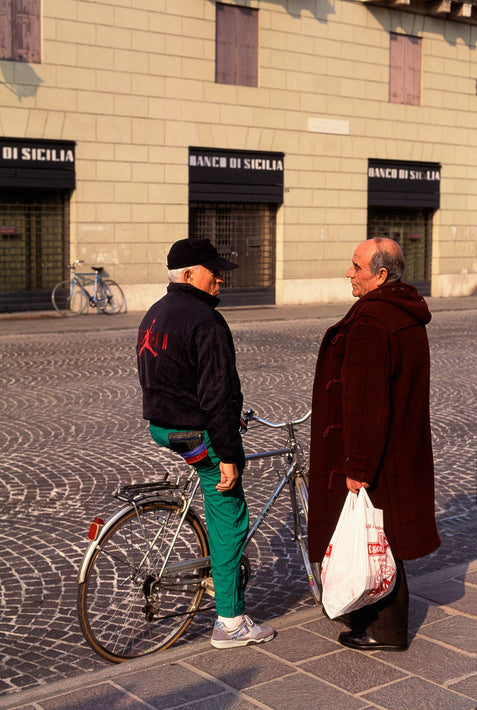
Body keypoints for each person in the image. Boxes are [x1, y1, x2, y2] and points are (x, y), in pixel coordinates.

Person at [137, 237, 275, 649]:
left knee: (212, 488)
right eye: (213, 273)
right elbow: (217, 395)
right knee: (229, 517)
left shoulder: (155, 313)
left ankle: (217, 572)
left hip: (163, 427)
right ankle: (232, 623)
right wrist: (230, 455)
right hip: (197, 432)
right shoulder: (205, 321)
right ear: (189, 275)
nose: (220, 280)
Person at [308, 237, 440, 651]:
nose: (349, 272)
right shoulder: (405, 313)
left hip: (377, 451)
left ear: (380, 275)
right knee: (386, 536)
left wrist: (357, 467)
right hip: (402, 446)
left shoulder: (372, 320)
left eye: (356, 266)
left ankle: (386, 631)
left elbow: (367, 402)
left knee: (376, 539)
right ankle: (374, 622)